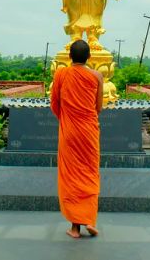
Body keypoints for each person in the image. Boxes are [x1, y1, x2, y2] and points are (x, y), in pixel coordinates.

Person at [50, 39, 104, 239]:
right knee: (89, 174)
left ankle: (75, 228)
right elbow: (98, 108)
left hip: (70, 132)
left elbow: (55, 104)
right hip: (89, 132)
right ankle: (89, 220)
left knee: (73, 177)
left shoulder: (61, 74)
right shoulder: (97, 76)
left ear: (70, 57)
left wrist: (67, 119)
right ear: (90, 57)